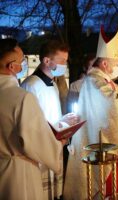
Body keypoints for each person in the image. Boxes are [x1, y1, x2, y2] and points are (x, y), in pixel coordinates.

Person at [63, 26, 118, 199]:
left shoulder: (101, 79)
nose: (117, 66)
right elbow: (111, 102)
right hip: (96, 140)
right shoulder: (94, 80)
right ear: (105, 63)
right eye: (115, 63)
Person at [0, 39, 64, 200]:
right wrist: (59, 144)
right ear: (12, 67)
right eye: (22, 60)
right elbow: (38, 142)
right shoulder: (21, 97)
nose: (25, 64)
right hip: (18, 174)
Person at [21, 40, 79, 200]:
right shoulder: (31, 85)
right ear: (47, 61)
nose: (65, 65)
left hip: (55, 146)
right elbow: (30, 124)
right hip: (40, 152)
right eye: (62, 61)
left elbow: (49, 115)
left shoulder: (53, 84)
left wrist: (64, 120)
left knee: (55, 194)